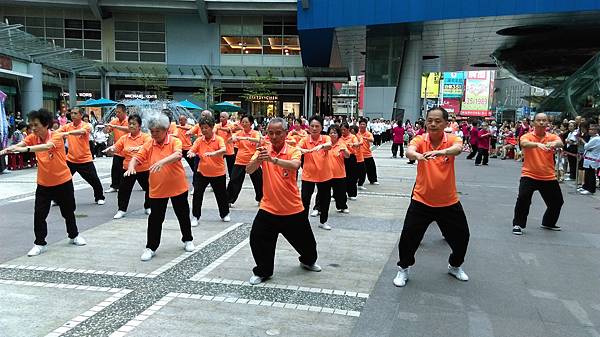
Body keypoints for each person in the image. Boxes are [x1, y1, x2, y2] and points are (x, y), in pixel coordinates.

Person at [393, 107, 469, 287]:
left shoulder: (452, 139)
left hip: (448, 201)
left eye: (438, 121)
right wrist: (418, 155)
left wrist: (441, 152)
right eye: (430, 120)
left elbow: (458, 148)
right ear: (425, 122)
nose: (433, 124)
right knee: (408, 239)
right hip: (422, 200)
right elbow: (409, 150)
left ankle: (455, 266)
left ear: (445, 123)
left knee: (462, 237)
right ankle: (403, 268)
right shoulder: (420, 138)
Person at [0, 109, 87, 256]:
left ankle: (74, 235)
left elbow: (46, 147)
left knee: (68, 211)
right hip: (44, 184)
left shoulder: (57, 136)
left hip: (63, 181)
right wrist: (7, 149)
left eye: (36, 125)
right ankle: (40, 243)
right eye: (31, 125)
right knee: (39, 215)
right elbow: (21, 143)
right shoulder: (32, 137)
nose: (33, 128)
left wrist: (25, 149)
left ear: (46, 124)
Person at [246, 117, 321, 285]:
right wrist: (258, 160)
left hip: (292, 209)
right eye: (270, 133)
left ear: (286, 133)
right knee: (257, 238)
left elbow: (295, 165)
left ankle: (308, 261)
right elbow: (248, 169)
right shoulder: (263, 150)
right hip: (269, 208)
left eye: (278, 133)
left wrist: (273, 160)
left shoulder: (293, 150)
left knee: (308, 246)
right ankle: (263, 271)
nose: (274, 136)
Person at [126, 114, 194, 261]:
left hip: (177, 186)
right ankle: (151, 247)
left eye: (157, 131)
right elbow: (137, 157)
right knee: (155, 219)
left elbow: (177, 155)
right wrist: (131, 166)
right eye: (152, 131)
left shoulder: (174, 141)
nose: (154, 134)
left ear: (166, 130)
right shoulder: (149, 144)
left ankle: (188, 239)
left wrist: (162, 162)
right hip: (157, 188)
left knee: (182, 215)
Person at [512, 112, 564, 235]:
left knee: (557, 202)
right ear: (534, 122)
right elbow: (523, 144)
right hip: (529, 175)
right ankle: (518, 224)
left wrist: (554, 144)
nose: (541, 122)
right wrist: (537, 144)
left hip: (548, 176)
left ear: (548, 123)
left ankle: (548, 222)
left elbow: (560, 143)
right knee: (523, 198)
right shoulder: (527, 136)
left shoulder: (552, 136)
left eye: (544, 120)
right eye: (539, 120)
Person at [103, 114, 152, 219]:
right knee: (123, 190)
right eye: (130, 124)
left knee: (149, 188)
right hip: (127, 169)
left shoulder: (145, 136)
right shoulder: (124, 138)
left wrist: (137, 148)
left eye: (134, 124)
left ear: (139, 126)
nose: (131, 126)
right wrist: (111, 149)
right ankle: (121, 210)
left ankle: (148, 206)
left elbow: (148, 146)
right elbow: (117, 147)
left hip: (143, 168)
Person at [187, 116, 231, 226]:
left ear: (212, 128)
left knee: (221, 195)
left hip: (218, 173)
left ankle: (224, 214)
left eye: (206, 128)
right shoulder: (199, 140)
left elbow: (224, 149)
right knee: (197, 194)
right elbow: (192, 150)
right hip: (202, 172)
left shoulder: (218, 139)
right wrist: (191, 153)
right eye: (202, 128)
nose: (204, 130)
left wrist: (213, 153)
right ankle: (195, 216)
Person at [57, 108, 106, 205]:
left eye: (75, 113)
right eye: (72, 113)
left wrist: (68, 133)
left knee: (94, 180)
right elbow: (57, 132)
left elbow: (82, 131)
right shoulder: (67, 126)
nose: (73, 115)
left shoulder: (86, 125)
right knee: (61, 180)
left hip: (85, 160)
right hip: (70, 159)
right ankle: (57, 198)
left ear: (81, 115)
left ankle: (99, 197)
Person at [298, 115, 333, 230]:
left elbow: (329, 145)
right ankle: (303, 223)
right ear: (308, 127)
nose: (314, 128)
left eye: (317, 126)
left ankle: (323, 221)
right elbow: (297, 148)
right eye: (312, 126)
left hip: (324, 175)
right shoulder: (305, 139)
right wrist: (302, 150)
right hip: (308, 175)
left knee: (325, 199)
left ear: (321, 127)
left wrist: (321, 146)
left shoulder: (325, 138)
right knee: (305, 199)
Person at [226, 115, 263, 206]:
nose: (244, 124)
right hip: (240, 160)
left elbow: (258, 140)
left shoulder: (255, 133)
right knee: (234, 180)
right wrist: (232, 138)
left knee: (259, 181)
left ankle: (261, 199)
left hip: (252, 161)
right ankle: (228, 200)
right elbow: (229, 141)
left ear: (251, 123)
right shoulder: (239, 133)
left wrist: (246, 138)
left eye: (246, 122)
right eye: (243, 122)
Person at [105, 104, 129, 193]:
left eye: (119, 112)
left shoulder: (129, 121)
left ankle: (143, 183)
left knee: (130, 170)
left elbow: (130, 129)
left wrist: (115, 127)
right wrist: (106, 128)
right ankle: (114, 186)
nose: (117, 114)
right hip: (118, 150)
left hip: (128, 150)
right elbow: (107, 130)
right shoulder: (114, 121)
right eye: (116, 112)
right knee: (115, 168)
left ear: (124, 112)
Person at [328, 124, 351, 213]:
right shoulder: (326, 144)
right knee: (322, 193)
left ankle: (342, 206)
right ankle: (318, 208)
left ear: (338, 134)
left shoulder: (341, 144)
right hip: (326, 174)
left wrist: (344, 150)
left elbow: (347, 156)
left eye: (335, 133)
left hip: (339, 173)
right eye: (331, 133)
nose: (332, 135)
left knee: (340, 192)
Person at [341, 123, 360, 200]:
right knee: (340, 176)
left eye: (344, 130)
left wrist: (352, 144)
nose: (342, 131)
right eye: (341, 130)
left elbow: (357, 143)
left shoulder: (352, 137)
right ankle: (339, 194)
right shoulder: (340, 137)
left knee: (351, 176)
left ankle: (352, 193)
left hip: (351, 158)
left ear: (348, 129)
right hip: (341, 158)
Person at [580, 124, 600, 195]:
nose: (589, 130)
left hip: (592, 159)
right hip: (588, 158)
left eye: (591, 129)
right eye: (589, 129)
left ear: (596, 131)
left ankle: (591, 189)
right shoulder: (592, 138)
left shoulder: (596, 139)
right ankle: (586, 187)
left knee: (591, 175)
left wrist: (582, 140)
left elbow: (586, 146)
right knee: (587, 173)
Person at [358, 118, 379, 186]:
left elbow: (372, 139)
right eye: (361, 124)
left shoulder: (368, 133)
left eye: (364, 124)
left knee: (371, 168)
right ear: (359, 125)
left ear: (366, 125)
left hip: (367, 154)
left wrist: (365, 138)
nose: (362, 125)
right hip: (358, 155)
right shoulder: (357, 133)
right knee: (358, 170)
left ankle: (373, 180)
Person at [215, 112, 236, 177]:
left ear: (227, 118)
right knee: (217, 165)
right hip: (220, 149)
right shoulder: (217, 125)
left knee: (231, 167)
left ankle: (231, 180)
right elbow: (214, 132)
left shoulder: (231, 125)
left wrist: (219, 128)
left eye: (223, 117)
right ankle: (216, 177)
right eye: (220, 117)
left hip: (229, 150)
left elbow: (228, 130)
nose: (221, 118)